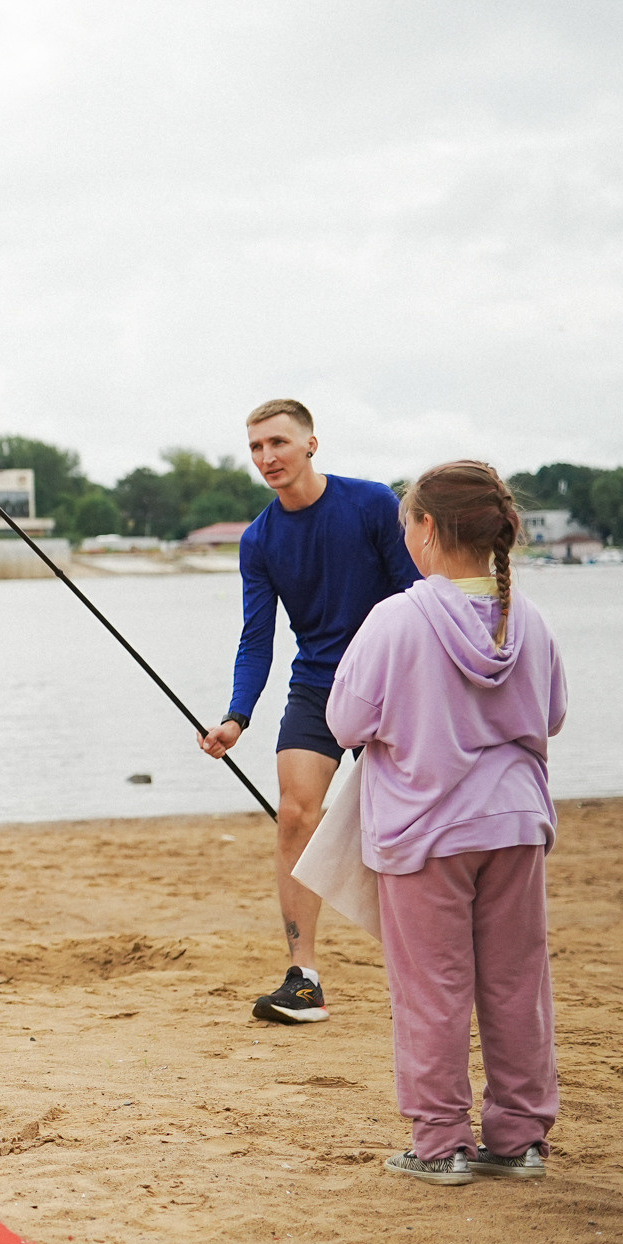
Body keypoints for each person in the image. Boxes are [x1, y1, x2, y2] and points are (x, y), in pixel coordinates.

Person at [329, 460, 565, 1185]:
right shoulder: (524, 616)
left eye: (408, 523)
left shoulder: (396, 620)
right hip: (515, 825)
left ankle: (440, 1142)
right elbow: (552, 714)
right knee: (516, 982)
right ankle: (520, 1138)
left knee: (432, 987)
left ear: (426, 528)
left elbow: (345, 721)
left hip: (426, 833)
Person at [200, 399, 422, 1026]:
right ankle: (305, 978)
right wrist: (236, 717)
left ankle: (432, 959)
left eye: (277, 443)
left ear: (311, 444)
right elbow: (257, 639)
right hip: (318, 686)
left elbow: (416, 595)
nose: (267, 458)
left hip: (390, 681)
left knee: (405, 826)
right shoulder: (260, 539)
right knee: (296, 812)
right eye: (255, 448)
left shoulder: (373, 503)